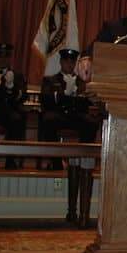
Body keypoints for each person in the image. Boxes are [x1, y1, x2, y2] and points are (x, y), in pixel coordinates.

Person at [40, 48, 103, 225]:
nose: (68, 64)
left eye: (71, 61)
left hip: (75, 117)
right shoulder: (50, 80)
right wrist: (64, 96)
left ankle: (85, 158)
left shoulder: (82, 82)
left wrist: (76, 96)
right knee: (49, 120)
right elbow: (46, 101)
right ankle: (54, 161)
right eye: (66, 61)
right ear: (61, 62)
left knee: (90, 123)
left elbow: (88, 102)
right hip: (59, 116)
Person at [0, 43, 27, 168]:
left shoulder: (17, 76)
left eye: (6, 57)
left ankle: (11, 160)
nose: (2, 60)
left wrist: (11, 88)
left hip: (8, 112)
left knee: (16, 119)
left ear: (9, 58)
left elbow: (22, 97)